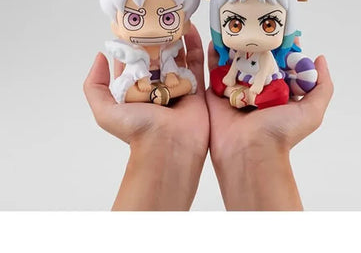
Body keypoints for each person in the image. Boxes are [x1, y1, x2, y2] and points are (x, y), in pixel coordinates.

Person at [83, 24, 333, 211]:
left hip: (258, 85)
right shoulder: (136, 54)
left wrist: (254, 101)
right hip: (228, 84)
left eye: (267, 24)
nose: (251, 35)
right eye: (237, 24)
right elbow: (230, 72)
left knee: (276, 91)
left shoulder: (267, 56)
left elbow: (263, 74)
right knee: (217, 79)